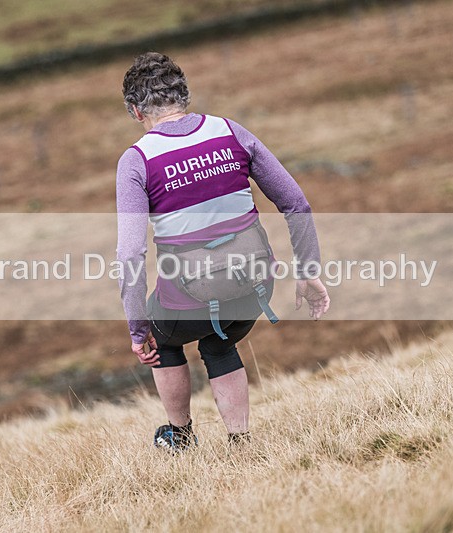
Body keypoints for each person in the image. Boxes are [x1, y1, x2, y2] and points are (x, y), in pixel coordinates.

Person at [116, 52, 330, 451]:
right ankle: (240, 443)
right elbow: (296, 203)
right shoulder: (230, 131)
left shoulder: (137, 160)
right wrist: (309, 272)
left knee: (163, 339)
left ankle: (179, 436)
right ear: (185, 96)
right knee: (219, 341)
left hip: (187, 301)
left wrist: (137, 328)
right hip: (253, 290)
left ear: (135, 111)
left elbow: (129, 256)